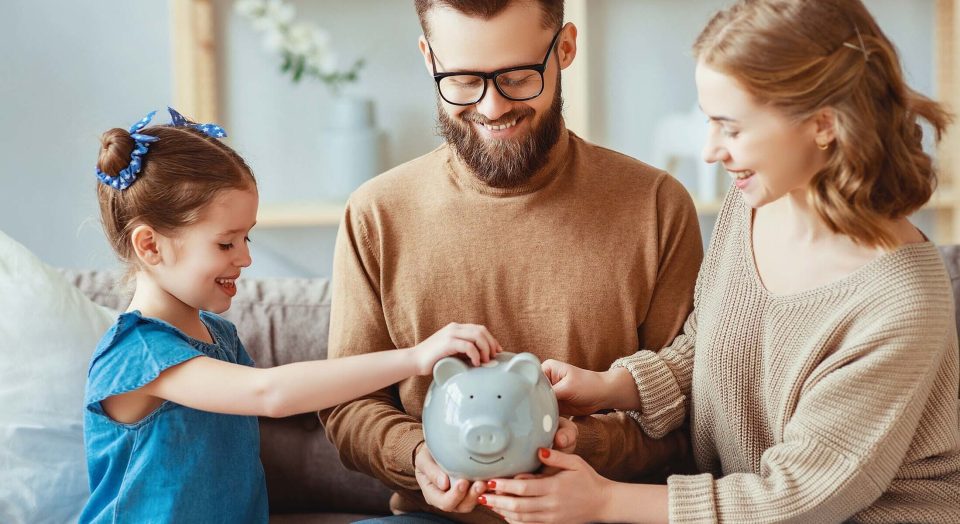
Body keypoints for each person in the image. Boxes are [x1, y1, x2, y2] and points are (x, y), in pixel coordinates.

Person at [480, 0, 960, 522]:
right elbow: (712, 344)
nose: (710, 151)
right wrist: (609, 387)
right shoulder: (755, 202)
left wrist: (603, 500)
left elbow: (798, 496)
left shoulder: (900, 301)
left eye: (731, 128)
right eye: (708, 122)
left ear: (823, 124)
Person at [319, 0, 704, 521]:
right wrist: (418, 456)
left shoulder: (656, 206)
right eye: (461, 80)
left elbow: (692, 411)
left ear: (564, 48)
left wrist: (579, 445)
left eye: (518, 77)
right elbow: (347, 405)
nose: (493, 107)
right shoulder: (376, 214)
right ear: (429, 59)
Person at [81, 108, 502, 523]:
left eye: (247, 237)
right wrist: (414, 357)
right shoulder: (136, 354)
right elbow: (269, 393)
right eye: (226, 244)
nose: (245, 257)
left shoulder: (219, 337)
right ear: (150, 246)